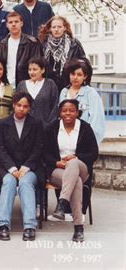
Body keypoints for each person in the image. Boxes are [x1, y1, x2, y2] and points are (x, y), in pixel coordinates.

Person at [44, 99, 99, 242]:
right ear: (60, 112)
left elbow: (94, 153)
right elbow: (44, 153)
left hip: (81, 168)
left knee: (74, 164)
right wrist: (57, 162)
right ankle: (78, 228)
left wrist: (76, 157)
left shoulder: (85, 128)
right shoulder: (52, 128)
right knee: (77, 183)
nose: (68, 113)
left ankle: (62, 203)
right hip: (58, 169)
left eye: (72, 110)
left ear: (77, 112)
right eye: (64, 110)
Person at [0, 92, 44, 242]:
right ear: (13, 105)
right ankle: (3, 225)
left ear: (29, 108)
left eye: (25, 106)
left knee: (25, 182)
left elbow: (38, 147)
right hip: (7, 167)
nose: (22, 109)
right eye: (19, 105)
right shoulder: (3, 124)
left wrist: (26, 166)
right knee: (8, 182)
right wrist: (12, 168)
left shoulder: (36, 124)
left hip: (31, 167)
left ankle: (29, 226)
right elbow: (0, 148)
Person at [59, 59, 105, 144]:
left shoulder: (91, 93)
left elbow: (97, 122)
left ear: (85, 76)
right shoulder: (63, 92)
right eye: (73, 74)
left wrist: (89, 144)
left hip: (84, 141)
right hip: (65, 141)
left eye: (79, 74)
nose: (75, 77)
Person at [0, 11, 43, 88]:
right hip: (6, 86)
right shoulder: (0, 45)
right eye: (10, 22)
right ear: (7, 25)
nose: (13, 24)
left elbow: (38, 66)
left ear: (21, 23)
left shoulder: (32, 43)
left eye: (16, 21)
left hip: (27, 86)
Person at [38, 16, 86, 90]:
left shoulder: (74, 44)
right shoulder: (43, 44)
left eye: (59, 27)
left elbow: (84, 65)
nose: (56, 30)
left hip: (69, 85)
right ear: (50, 29)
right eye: (54, 27)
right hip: (48, 87)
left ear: (65, 28)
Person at [16, 57, 58, 129]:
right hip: (24, 127)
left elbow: (55, 106)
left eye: (35, 69)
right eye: (29, 70)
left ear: (43, 70)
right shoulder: (21, 85)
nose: (31, 72)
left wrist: (49, 124)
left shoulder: (50, 84)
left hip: (45, 128)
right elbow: (16, 105)